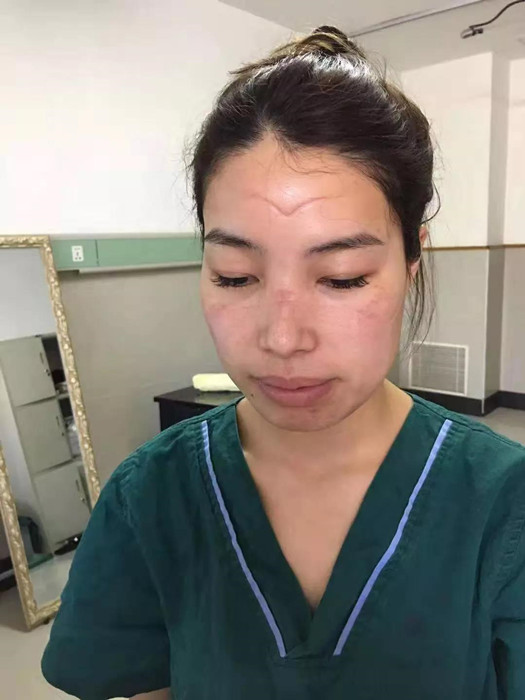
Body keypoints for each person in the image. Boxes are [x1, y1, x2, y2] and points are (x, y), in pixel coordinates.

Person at [41, 26, 525, 699]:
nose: (282, 338)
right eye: (235, 275)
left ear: (412, 260)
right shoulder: (149, 498)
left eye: (343, 277)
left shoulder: (503, 501)